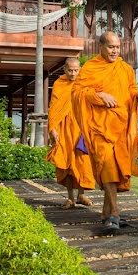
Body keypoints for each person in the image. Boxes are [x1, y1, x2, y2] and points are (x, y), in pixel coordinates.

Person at [72, 31, 138, 233]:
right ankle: (115, 212)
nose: (115, 51)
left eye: (117, 47)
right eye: (111, 47)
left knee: (114, 169)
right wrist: (99, 95)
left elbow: (131, 89)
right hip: (98, 126)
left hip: (120, 126)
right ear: (101, 47)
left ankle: (106, 214)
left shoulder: (125, 69)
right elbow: (78, 93)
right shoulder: (90, 67)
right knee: (106, 166)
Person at [46, 57, 95, 209]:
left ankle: (81, 195)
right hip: (64, 129)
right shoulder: (59, 84)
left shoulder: (85, 83)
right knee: (66, 163)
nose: (73, 73)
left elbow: (91, 105)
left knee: (82, 161)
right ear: (64, 70)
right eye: (70, 70)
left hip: (82, 127)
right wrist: (52, 128)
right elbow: (53, 108)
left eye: (76, 70)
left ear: (80, 69)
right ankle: (70, 198)